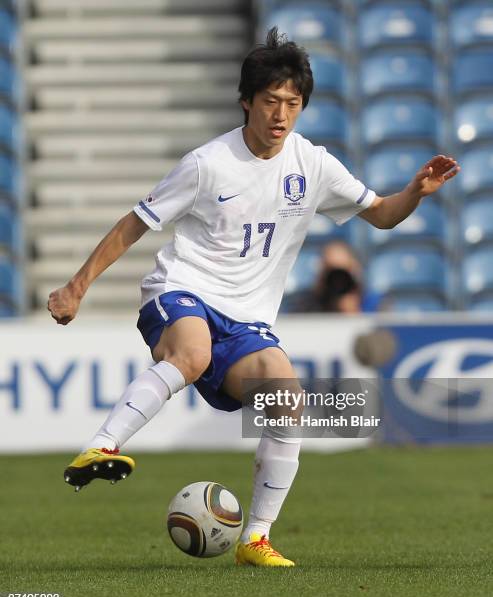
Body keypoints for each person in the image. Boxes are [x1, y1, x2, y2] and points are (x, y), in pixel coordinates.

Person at [47, 27, 460, 567]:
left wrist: (414, 194)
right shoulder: (206, 162)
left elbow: (380, 214)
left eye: (292, 102)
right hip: (182, 290)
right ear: (247, 102)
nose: (281, 113)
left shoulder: (313, 165)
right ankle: (103, 445)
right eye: (270, 101)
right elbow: (136, 222)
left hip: (247, 318)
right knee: (191, 355)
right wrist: (77, 288)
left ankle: (254, 539)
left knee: (287, 400)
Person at [284, 240, 381, 314]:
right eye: (331, 270)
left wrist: (353, 310)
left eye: (342, 271)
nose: (337, 279)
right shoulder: (304, 305)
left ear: (355, 270)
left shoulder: (376, 304)